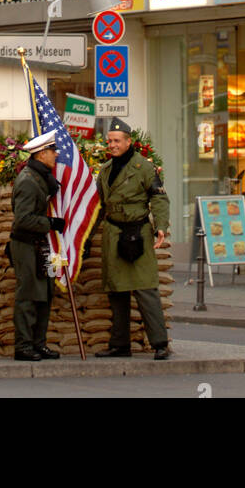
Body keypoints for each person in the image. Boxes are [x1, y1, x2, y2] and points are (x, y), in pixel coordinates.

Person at [92, 118, 171, 360]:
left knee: (146, 289)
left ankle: (160, 344)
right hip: (114, 233)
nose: (112, 145)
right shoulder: (105, 170)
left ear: (129, 142)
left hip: (137, 233)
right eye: (110, 141)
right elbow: (98, 204)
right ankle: (119, 344)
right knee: (117, 291)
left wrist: (161, 226)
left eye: (117, 141)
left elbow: (158, 198)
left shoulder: (145, 168)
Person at [9, 130, 65, 362]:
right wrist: (50, 223)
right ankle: (23, 346)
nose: (56, 155)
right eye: (52, 152)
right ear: (41, 154)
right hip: (26, 245)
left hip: (40, 245)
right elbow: (23, 218)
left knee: (45, 293)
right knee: (28, 295)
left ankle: (38, 344)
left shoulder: (40, 177)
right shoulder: (28, 181)